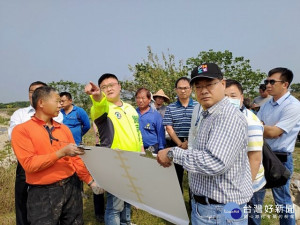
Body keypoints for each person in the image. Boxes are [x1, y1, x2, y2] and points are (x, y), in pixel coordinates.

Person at [157, 63, 252, 225]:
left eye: (209, 84)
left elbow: (215, 162)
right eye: (198, 86)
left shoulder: (227, 117)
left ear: (222, 84)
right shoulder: (209, 114)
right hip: (211, 208)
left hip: (219, 211)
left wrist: (172, 152)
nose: (203, 90)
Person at [10, 86, 101, 225]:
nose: (60, 104)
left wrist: (90, 181)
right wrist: (60, 153)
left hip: (71, 188)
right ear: (41, 103)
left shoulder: (63, 128)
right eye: (57, 101)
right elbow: (29, 164)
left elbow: (75, 158)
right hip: (42, 193)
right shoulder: (22, 130)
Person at [84, 73, 143, 225]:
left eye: (111, 85)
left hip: (134, 160)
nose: (109, 89)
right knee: (115, 205)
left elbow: (138, 132)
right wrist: (97, 96)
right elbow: (98, 103)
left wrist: (141, 151)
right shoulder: (102, 109)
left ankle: (126, 222)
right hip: (115, 163)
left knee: (128, 198)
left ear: (119, 86)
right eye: (104, 87)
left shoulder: (130, 108)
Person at [8, 81, 63, 225]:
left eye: (39, 90)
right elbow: (14, 136)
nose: (34, 94)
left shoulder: (57, 114)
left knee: (48, 201)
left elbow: (56, 138)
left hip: (51, 162)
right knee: (22, 198)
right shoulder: (19, 114)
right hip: (26, 162)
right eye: (32, 91)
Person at [253, 67, 300, 225]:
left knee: (282, 202)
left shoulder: (293, 106)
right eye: (267, 81)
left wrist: (260, 128)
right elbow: (261, 127)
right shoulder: (267, 104)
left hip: (280, 159)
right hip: (261, 155)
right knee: (254, 200)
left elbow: (274, 132)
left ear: (285, 84)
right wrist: (263, 128)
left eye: (272, 81)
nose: (268, 84)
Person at [163, 77, 198, 192]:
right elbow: (169, 127)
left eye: (185, 88)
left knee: (194, 176)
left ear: (190, 89)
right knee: (176, 177)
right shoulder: (170, 107)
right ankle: (178, 206)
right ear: (176, 90)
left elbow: (200, 126)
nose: (183, 91)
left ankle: (194, 205)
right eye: (180, 88)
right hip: (176, 144)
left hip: (194, 144)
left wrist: (188, 143)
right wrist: (180, 144)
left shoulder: (198, 106)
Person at [135, 87, 165, 154]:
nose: (140, 100)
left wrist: (161, 149)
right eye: (138, 98)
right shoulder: (132, 113)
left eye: (143, 98)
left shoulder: (156, 115)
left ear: (149, 100)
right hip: (136, 148)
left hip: (152, 148)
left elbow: (161, 133)